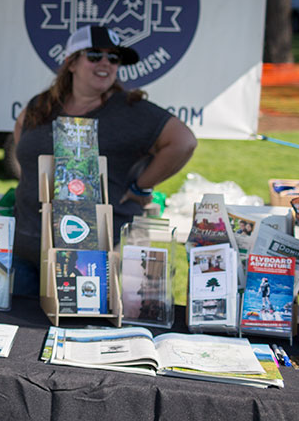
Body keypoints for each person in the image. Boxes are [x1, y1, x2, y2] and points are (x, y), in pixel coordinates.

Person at [12, 25, 197, 294]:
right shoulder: (41, 105)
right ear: (71, 62)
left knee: (83, 329)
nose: (105, 63)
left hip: (92, 255)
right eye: (95, 55)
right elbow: (23, 143)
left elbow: (184, 142)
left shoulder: (132, 109)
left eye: (113, 58)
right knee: (18, 329)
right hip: (26, 246)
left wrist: (140, 186)